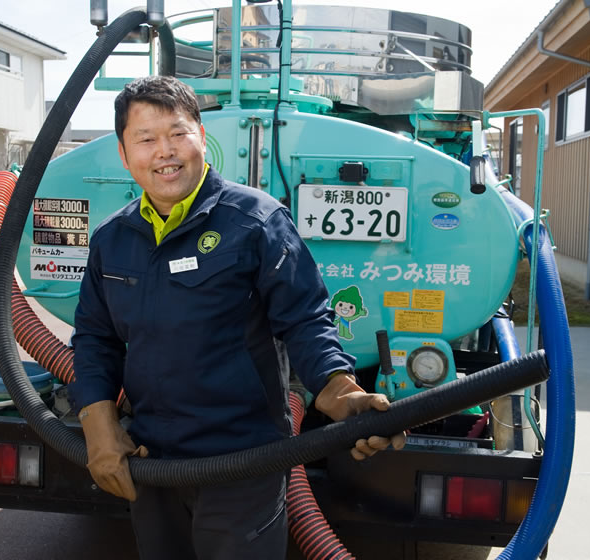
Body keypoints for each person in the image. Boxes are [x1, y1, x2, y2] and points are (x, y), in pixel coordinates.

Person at [70, 75, 405, 560]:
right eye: (145, 139)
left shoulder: (255, 221)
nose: (164, 151)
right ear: (125, 155)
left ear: (202, 138)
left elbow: (306, 318)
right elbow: (95, 338)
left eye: (177, 134)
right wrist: (99, 424)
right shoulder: (112, 238)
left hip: (243, 464)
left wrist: (339, 390)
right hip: (151, 461)